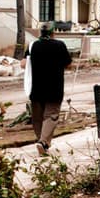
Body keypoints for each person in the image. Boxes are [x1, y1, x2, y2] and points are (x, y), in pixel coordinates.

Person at [26, 23, 72, 154]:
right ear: (53, 33)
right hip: (54, 88)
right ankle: (43, 142)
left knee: (38, 118)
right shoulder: (59, 45)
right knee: (51, 116)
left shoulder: (33, 45)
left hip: (36, 88)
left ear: (40, 33)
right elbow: (68, 64)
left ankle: (42, 141)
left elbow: (24, 64)